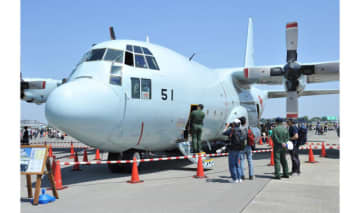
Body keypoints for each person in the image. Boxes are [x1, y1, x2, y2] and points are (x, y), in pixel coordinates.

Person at [222, 119, 244, 183]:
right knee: (237, 164)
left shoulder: (231, 130)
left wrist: (226, 126)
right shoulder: (241, 130)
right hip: (239, 149)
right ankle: (239, 178)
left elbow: (223, 132)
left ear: (234, 124)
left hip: (232, 149)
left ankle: (235, 178)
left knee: (232, 165)